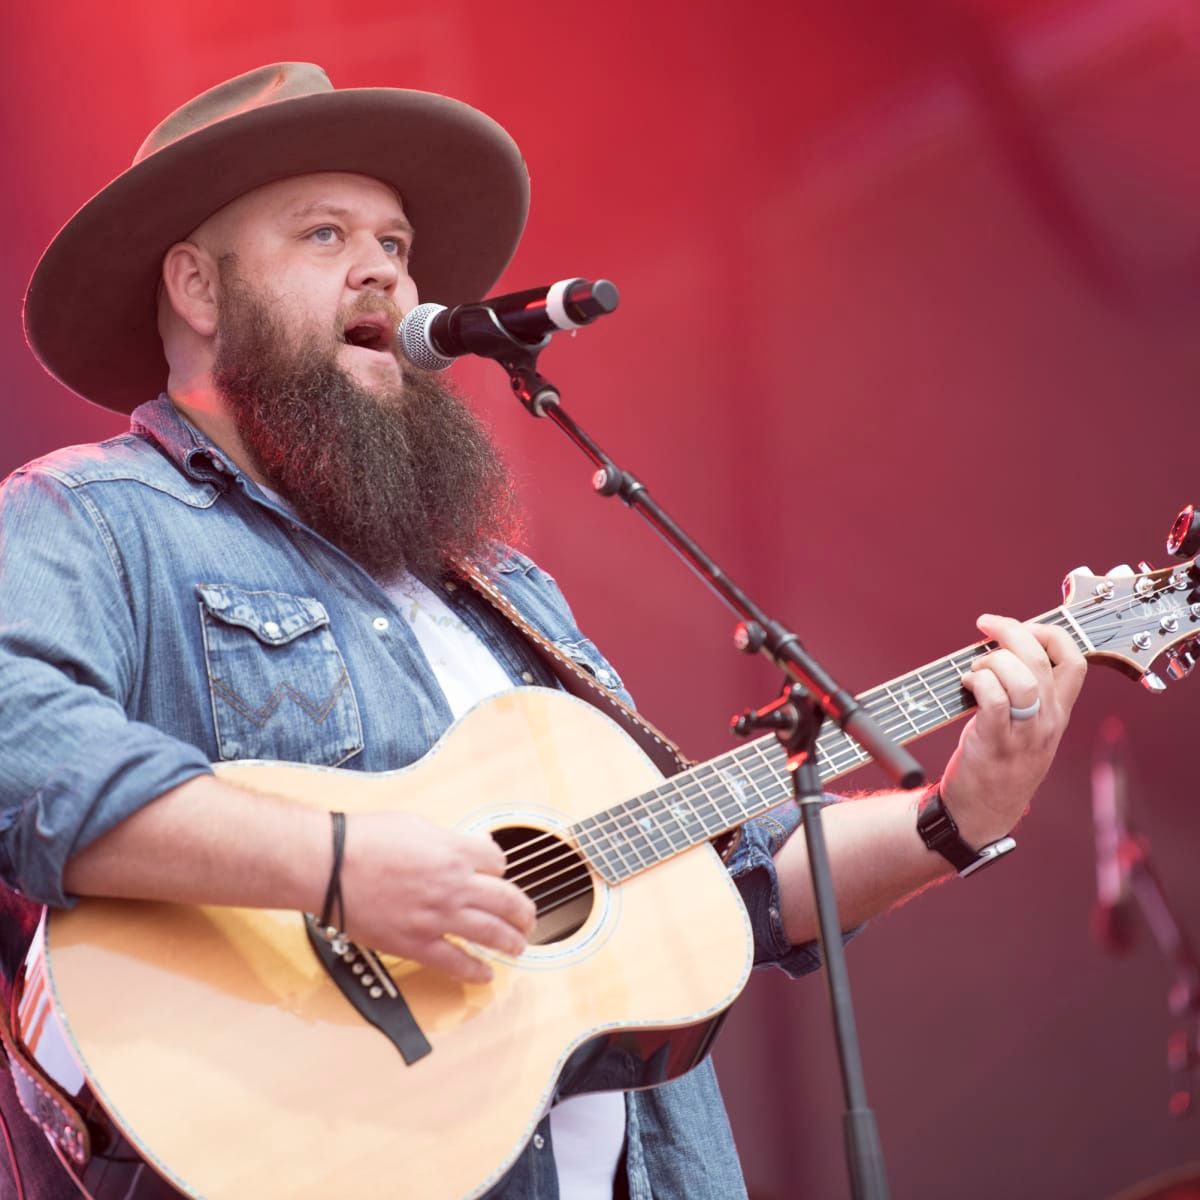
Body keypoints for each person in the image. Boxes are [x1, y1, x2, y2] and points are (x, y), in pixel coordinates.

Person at [0, 63, 1086, 1200]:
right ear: (197, 287)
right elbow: (26, 745)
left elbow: (731, 879)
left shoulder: (504, 590)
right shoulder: (92, 515)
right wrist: (339, 866)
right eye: (325, 235)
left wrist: (957, 816)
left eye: (397, 242)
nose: (383, 268)